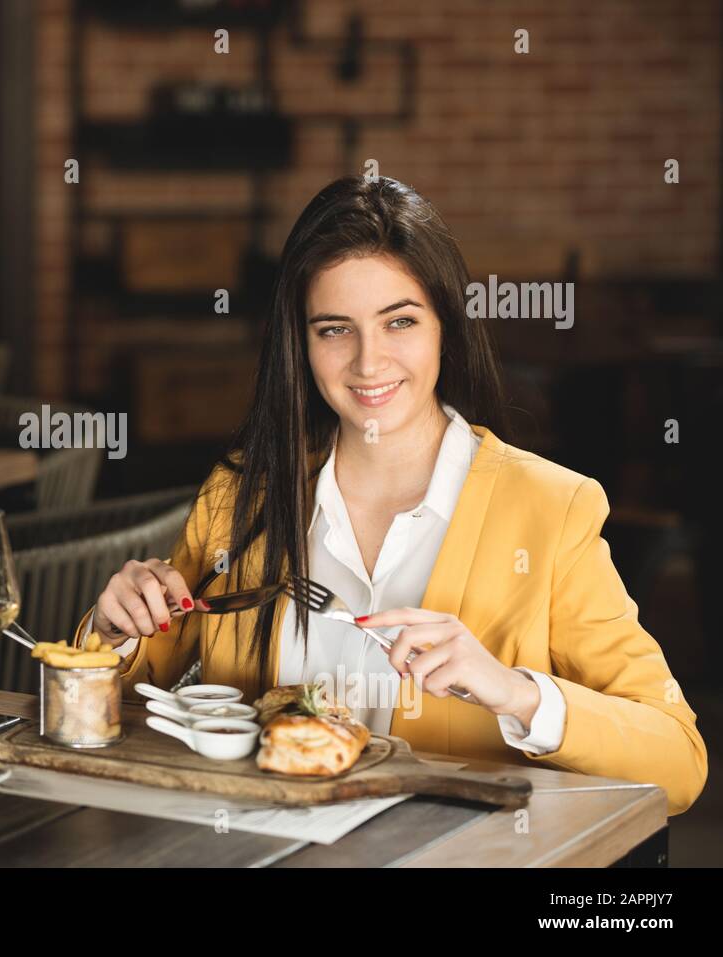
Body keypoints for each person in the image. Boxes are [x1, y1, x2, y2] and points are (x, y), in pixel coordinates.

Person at [78, 175, 707, 815]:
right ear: (300, 342)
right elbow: (109, 697)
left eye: (399, 321)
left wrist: (517, 693)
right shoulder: (240, 494)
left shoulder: (550, 507)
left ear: (445, 327)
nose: (369, 362)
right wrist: (115, 631)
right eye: (334, 329)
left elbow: (679, 761)